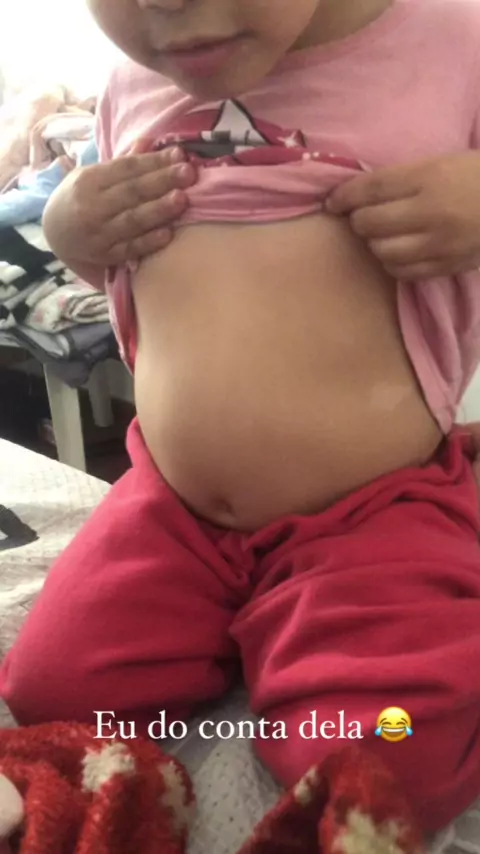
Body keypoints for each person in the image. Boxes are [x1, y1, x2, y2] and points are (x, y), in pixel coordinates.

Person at [2, 0, 480, 833]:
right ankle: (256, 629)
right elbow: (129, 276)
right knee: (53, 696)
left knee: (392, 752)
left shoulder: (454, 38)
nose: (163, 3)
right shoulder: (137, 75)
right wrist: (69, 224)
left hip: (370, 510)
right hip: (173, 511)